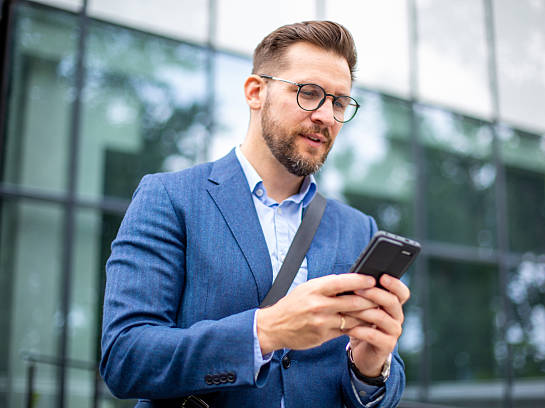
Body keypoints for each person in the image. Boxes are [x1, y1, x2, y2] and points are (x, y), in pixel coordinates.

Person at [100, 20, 410, 408]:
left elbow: (385, 384)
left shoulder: (357, 228)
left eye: (339, 102)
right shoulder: (170, 197)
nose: (327, 116)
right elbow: (125, 358)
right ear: (255, 91)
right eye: (309, 93)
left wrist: (369, 368)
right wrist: (265, 331)